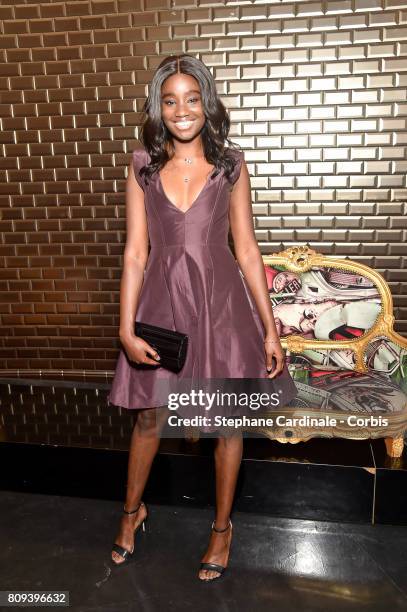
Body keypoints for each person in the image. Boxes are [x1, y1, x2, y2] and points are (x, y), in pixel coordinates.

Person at [107, 54, 298, 581]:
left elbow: (248, 250)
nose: (182, 110)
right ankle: (131, 512)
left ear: (206, 104)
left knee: (225, 425)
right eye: (170, 100)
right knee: (148, 417)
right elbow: (135, 253)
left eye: (192, 99)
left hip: (220, 310)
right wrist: (125, 328)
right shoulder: (142, 162)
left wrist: (269, 328)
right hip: (162, 306)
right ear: (158, 107)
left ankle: (221, 529)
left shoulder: (231, 164)